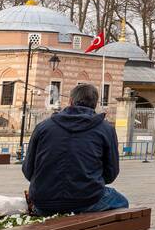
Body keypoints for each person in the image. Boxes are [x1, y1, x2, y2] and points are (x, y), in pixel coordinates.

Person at [22, 83, 128, 214]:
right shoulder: (106, 129)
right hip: (87, 199)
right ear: (95, 104)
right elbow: (111, 173)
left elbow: (28, 170)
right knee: (122, 202)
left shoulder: (43, 127)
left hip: (43, 201)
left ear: (70, 101)